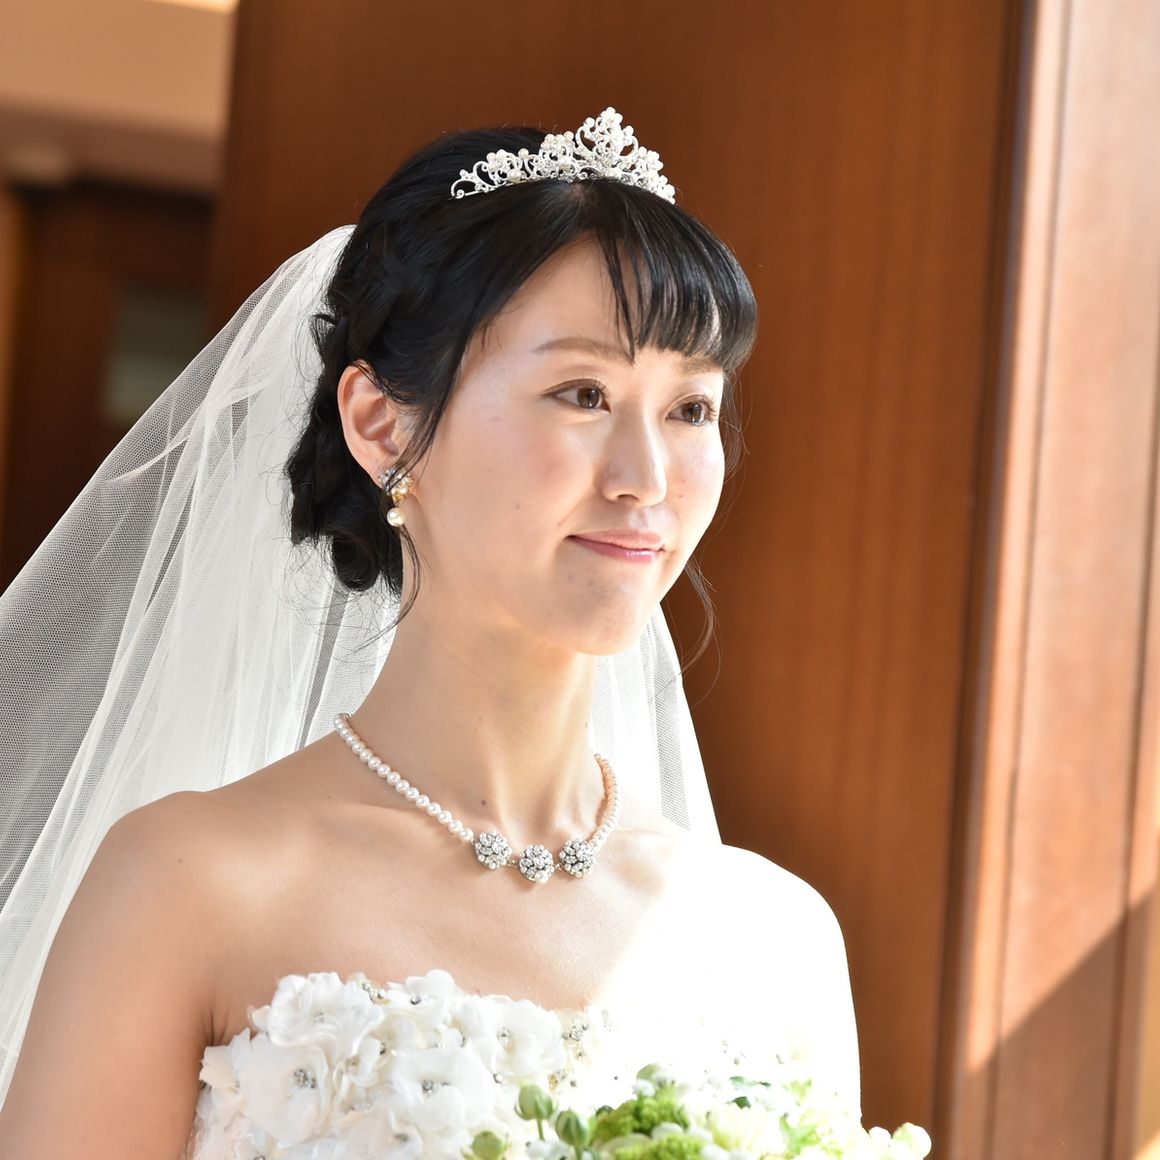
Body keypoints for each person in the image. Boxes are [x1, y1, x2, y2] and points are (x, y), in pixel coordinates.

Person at [0, 108, 859, 1157]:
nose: (646, 478)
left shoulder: (776, 938)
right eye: (583, 393)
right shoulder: (191, 882)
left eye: (690, 409)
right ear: (381, 424)